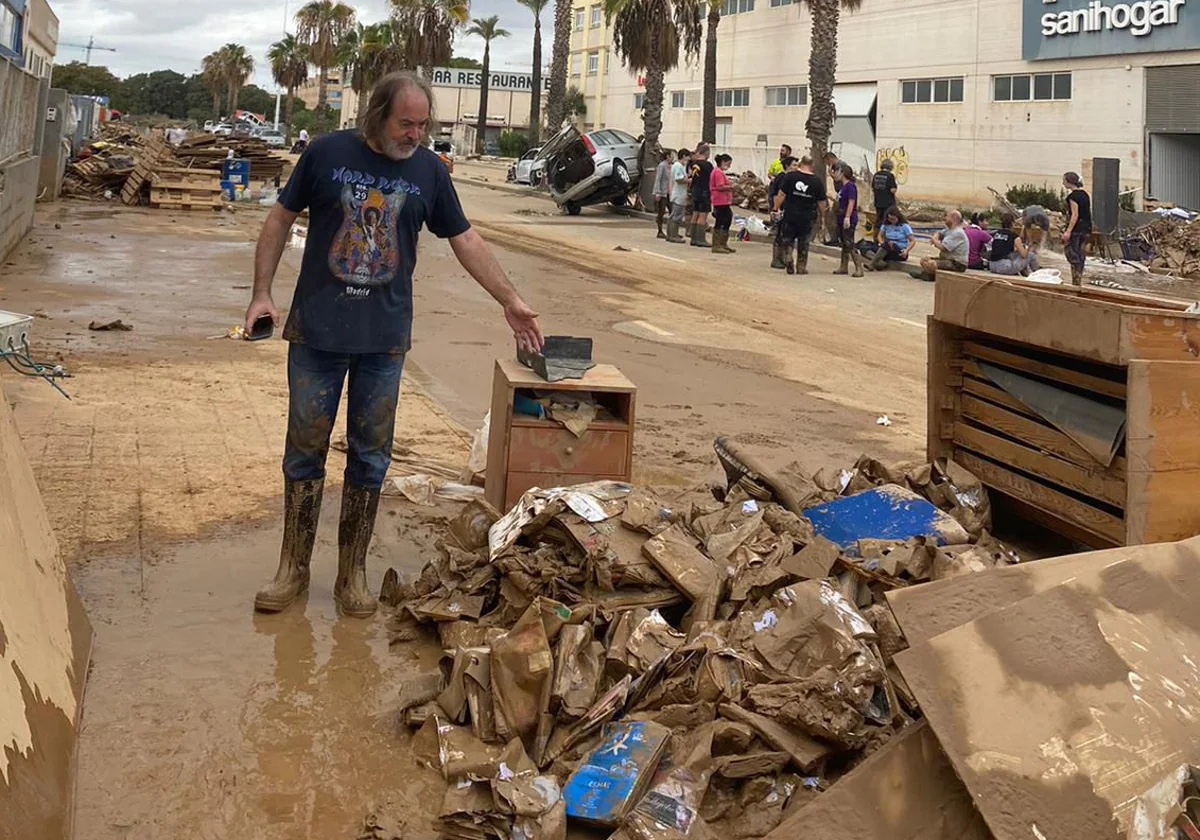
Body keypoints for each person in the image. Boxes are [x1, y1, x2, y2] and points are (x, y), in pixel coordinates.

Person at [246, 72, 543, 618]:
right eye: (405, 123)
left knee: (370, 456)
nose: (415, 134)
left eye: (422, 124)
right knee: (304, 450)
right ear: (377, 114)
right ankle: (292, 569)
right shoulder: (326, 151)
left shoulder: (429, 170)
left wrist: (510, 298)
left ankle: (351, 575)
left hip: (383, 342)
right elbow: (279, 217)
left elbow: (465, 239)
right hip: (315, 334)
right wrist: (261, 293)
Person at [772, 155, 827, 275]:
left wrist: (775, 208)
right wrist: (823, 216)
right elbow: (821, 202)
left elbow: (781, 194)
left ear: (801, 163)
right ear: (812, 165)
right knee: (804, 241)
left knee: (788, 238)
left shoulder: (790, 177)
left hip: (790, 213)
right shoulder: (816, 181)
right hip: (807, 216)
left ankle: (788, 256)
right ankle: (801, 266)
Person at [919, 209, 970, 281]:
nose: (945, 218)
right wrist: (936, 237)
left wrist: (934, 240)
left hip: (957, 263)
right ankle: (929, 275)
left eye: (947, 216)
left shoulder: (958, 233)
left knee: (931, 263)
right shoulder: (949, 229)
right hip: (946, 259)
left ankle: (932, 276)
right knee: (924, 260)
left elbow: (943, 247)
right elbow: (939, 233)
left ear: (954, 218)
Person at [1062, 171, 1092, 285]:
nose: (1063, 183)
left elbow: (1075, 214)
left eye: (1064, 180)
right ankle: (1078, 279)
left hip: (1077, 229)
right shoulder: (1085, 194)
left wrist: (1068, 231)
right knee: (1081, 253)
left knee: (1072, 253)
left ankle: (1076, 280)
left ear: (1069, 182)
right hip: (1086, 229)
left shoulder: (1072, 196)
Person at [768, 156, 798, 269]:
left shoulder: (791, 178)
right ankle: (776, 259)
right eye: (794, 165)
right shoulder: (782, 178)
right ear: (787, 166)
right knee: (779, 234)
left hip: (789, 210)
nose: (796, 167)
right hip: (781, 209)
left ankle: (784, 258)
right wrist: (777, 209)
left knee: (786, 234)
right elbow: (777, 194)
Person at [834, 165, 864, 277]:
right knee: (843, 243)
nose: (835, 174)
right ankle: (843, 266)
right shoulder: (842, 187)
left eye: (837, 171)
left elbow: (851, 202)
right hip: (840, 217)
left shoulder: (850, 186)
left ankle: (859, 268)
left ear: (843, 173)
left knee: (849, 242)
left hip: (848, 218)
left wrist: (847, 217)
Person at [869, 206, 914, 271]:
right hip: (886, 249)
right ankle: (880, 263)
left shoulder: (904, 226)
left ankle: (872, 264)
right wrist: (882, 243)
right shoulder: (885, 225)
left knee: (889, 243)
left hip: (899, 250)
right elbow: (879, 236)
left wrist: (906, 250)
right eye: (890, 219)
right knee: (866, 246)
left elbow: (913, 241)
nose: (892, 221)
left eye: (893, 219)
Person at [710, 154, 737, 254]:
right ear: (723, 162)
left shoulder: (720, 172)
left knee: (727, 219)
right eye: (728, 163)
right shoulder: (717, 172)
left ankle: (723, 243)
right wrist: (731, 186)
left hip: (724, 200)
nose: (729, 166)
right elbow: (720, 186)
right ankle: (717, 244)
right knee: (721, 220)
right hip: (720, 200)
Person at [688, 142, 713, 248]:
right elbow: (711, 179)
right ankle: (701, 239)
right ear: (706, 153)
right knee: (703, 216)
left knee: (695, 214)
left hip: (695, 191)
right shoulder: (707, 165)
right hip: (704, 191)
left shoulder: (694, 164)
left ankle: (693, 238)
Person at [870, 159, 898, 243]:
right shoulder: (890, 176)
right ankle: (885, 240)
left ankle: (876, 239)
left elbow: (872, 188)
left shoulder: (876, 175)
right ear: (891, 167)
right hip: (888, 203)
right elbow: (892, 190)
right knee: (888, 222)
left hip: (878, 202)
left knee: (878, 221)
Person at [666, 148, 691, 243]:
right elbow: (678, 179)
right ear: (684, 156)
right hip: (678, 194)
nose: (688, 159)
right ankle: (673, 235)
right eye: (688, 156)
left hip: (678, 193)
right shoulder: (678, 166)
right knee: (677, 215)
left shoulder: (678, 166)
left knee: (674, 215)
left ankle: (672, 233)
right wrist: (688, 181)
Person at [652, 149, 674, 239]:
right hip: (662, 192)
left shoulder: (671, 166)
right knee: (661, 212)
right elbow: (658, 179)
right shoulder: (662, 166)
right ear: (667, 156)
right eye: (671, 155)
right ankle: (660, 231)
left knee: (672, 211)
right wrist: (657, 192)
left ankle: (672, 231)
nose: (672, 157)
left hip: (670, 192)